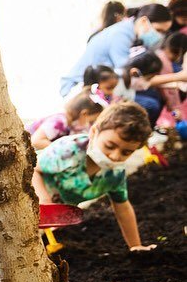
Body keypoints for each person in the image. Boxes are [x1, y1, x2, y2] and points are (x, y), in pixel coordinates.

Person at [32, 102, 156, 251]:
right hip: (26, 199)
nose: (115, 156)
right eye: (110, 146)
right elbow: (32, 169)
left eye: (126, 152)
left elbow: (122, 208)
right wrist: (44, 201)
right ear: (93, 132)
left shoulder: (114, 173)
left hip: (53, 218)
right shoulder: (68, 150)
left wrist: (136, 246)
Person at [59, 3, 172, 97]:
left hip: (101, 85)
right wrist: (178, 78)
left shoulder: (130, 33)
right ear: (143, 21)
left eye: (163, 32)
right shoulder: (121, 36)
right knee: (149, 104)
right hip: (79, 90)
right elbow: (128, 78)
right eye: (159, 30)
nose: (160, 36)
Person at [26, 91, 105, 150]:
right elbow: (36, 141)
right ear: (84, 114)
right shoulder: (59, 121)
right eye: (92, 120)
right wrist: (62, 151)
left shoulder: (72, 125)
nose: (90, 124)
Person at [119, 51, 164, 124]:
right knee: (151, 105)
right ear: (135, 73)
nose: (148, 84)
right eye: (148, 79)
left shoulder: (128, 81)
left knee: (154, 95)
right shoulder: (117, 85)